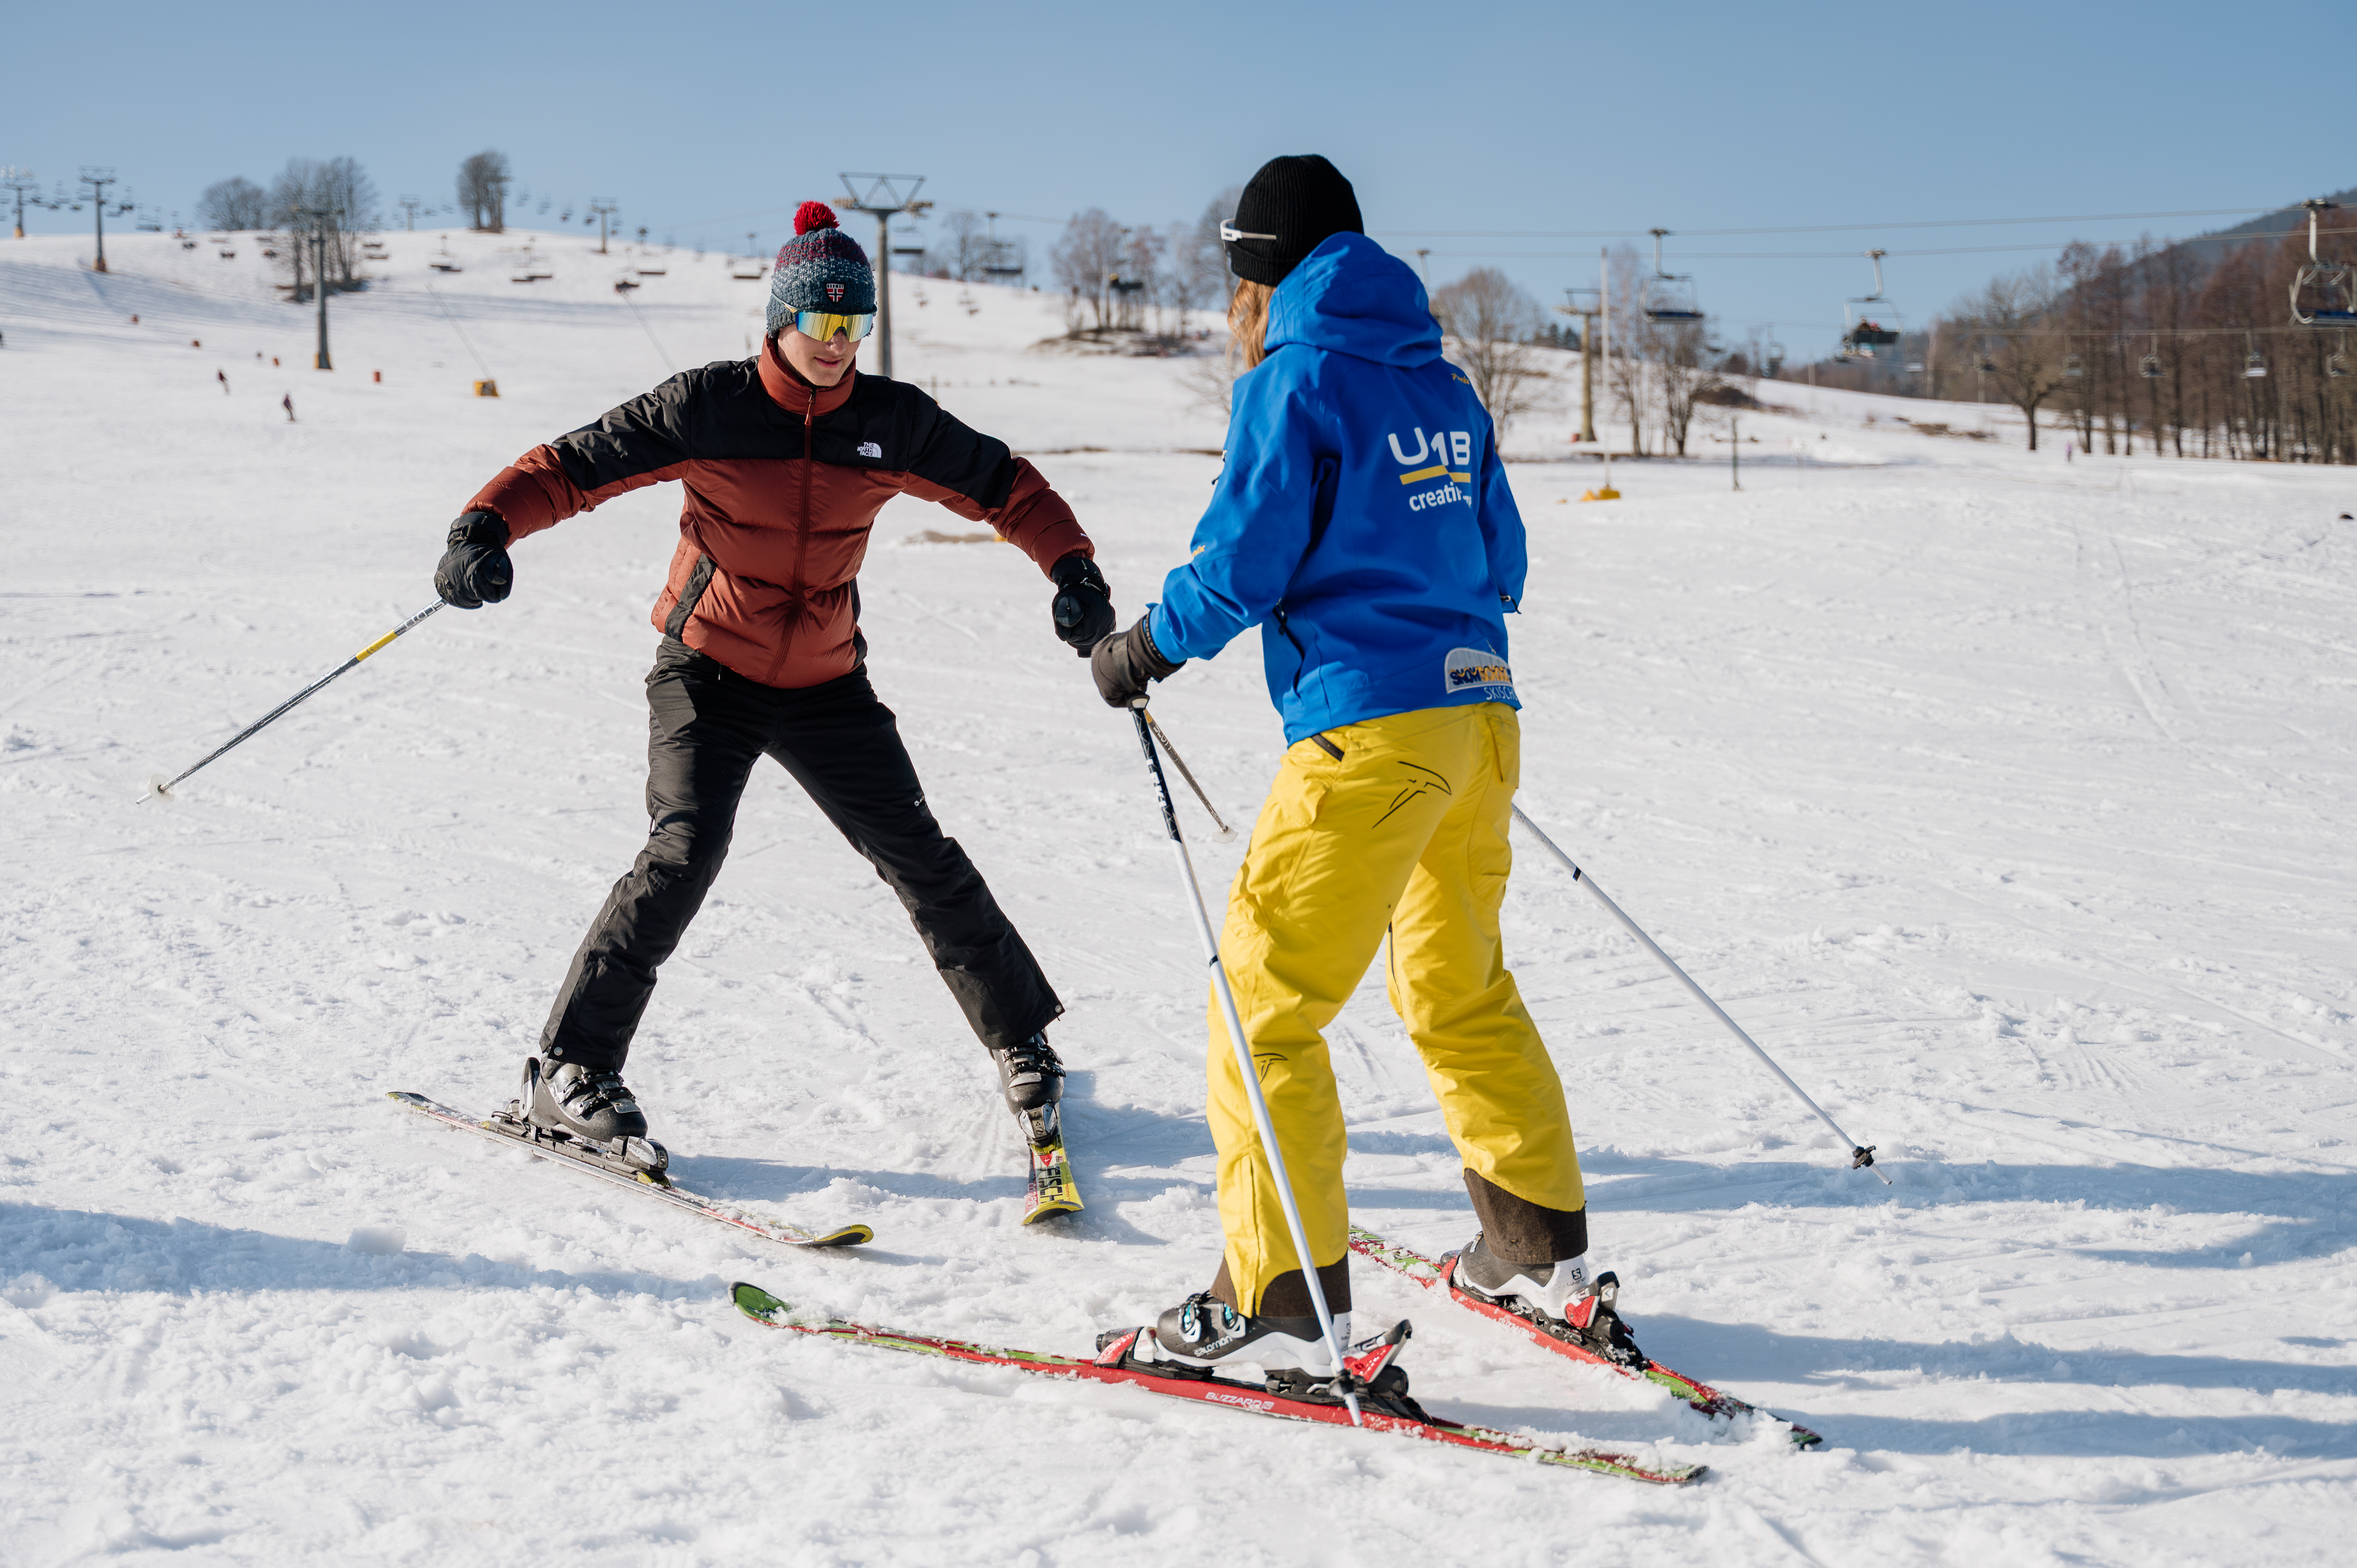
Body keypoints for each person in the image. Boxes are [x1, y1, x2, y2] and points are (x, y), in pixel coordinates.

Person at [1091, 155, 1646, 1377]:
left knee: (1261, 1009)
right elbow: (1499, 561)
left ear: (1259, 274)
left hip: (1365, 739)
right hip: (1479, 720)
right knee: (1457, 986)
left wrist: (1141, 648)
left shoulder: (1292, 375)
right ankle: (1539, 1254)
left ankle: (1274, 1291)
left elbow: (1240, 561)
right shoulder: (1440, 382)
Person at [433, 202, 1115, 1153]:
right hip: (708, 669)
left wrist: (1071, 568)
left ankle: (1022, 1040)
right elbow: (576, 466)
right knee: (684, 848)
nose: (837, 344)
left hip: (827, 681)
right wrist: (486, 527)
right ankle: (573, 1066)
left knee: (918, 852)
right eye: (820, 321)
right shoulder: (708, 406)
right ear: (780, 317)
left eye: (854, 324)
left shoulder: (890, 421)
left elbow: (1006, 485)